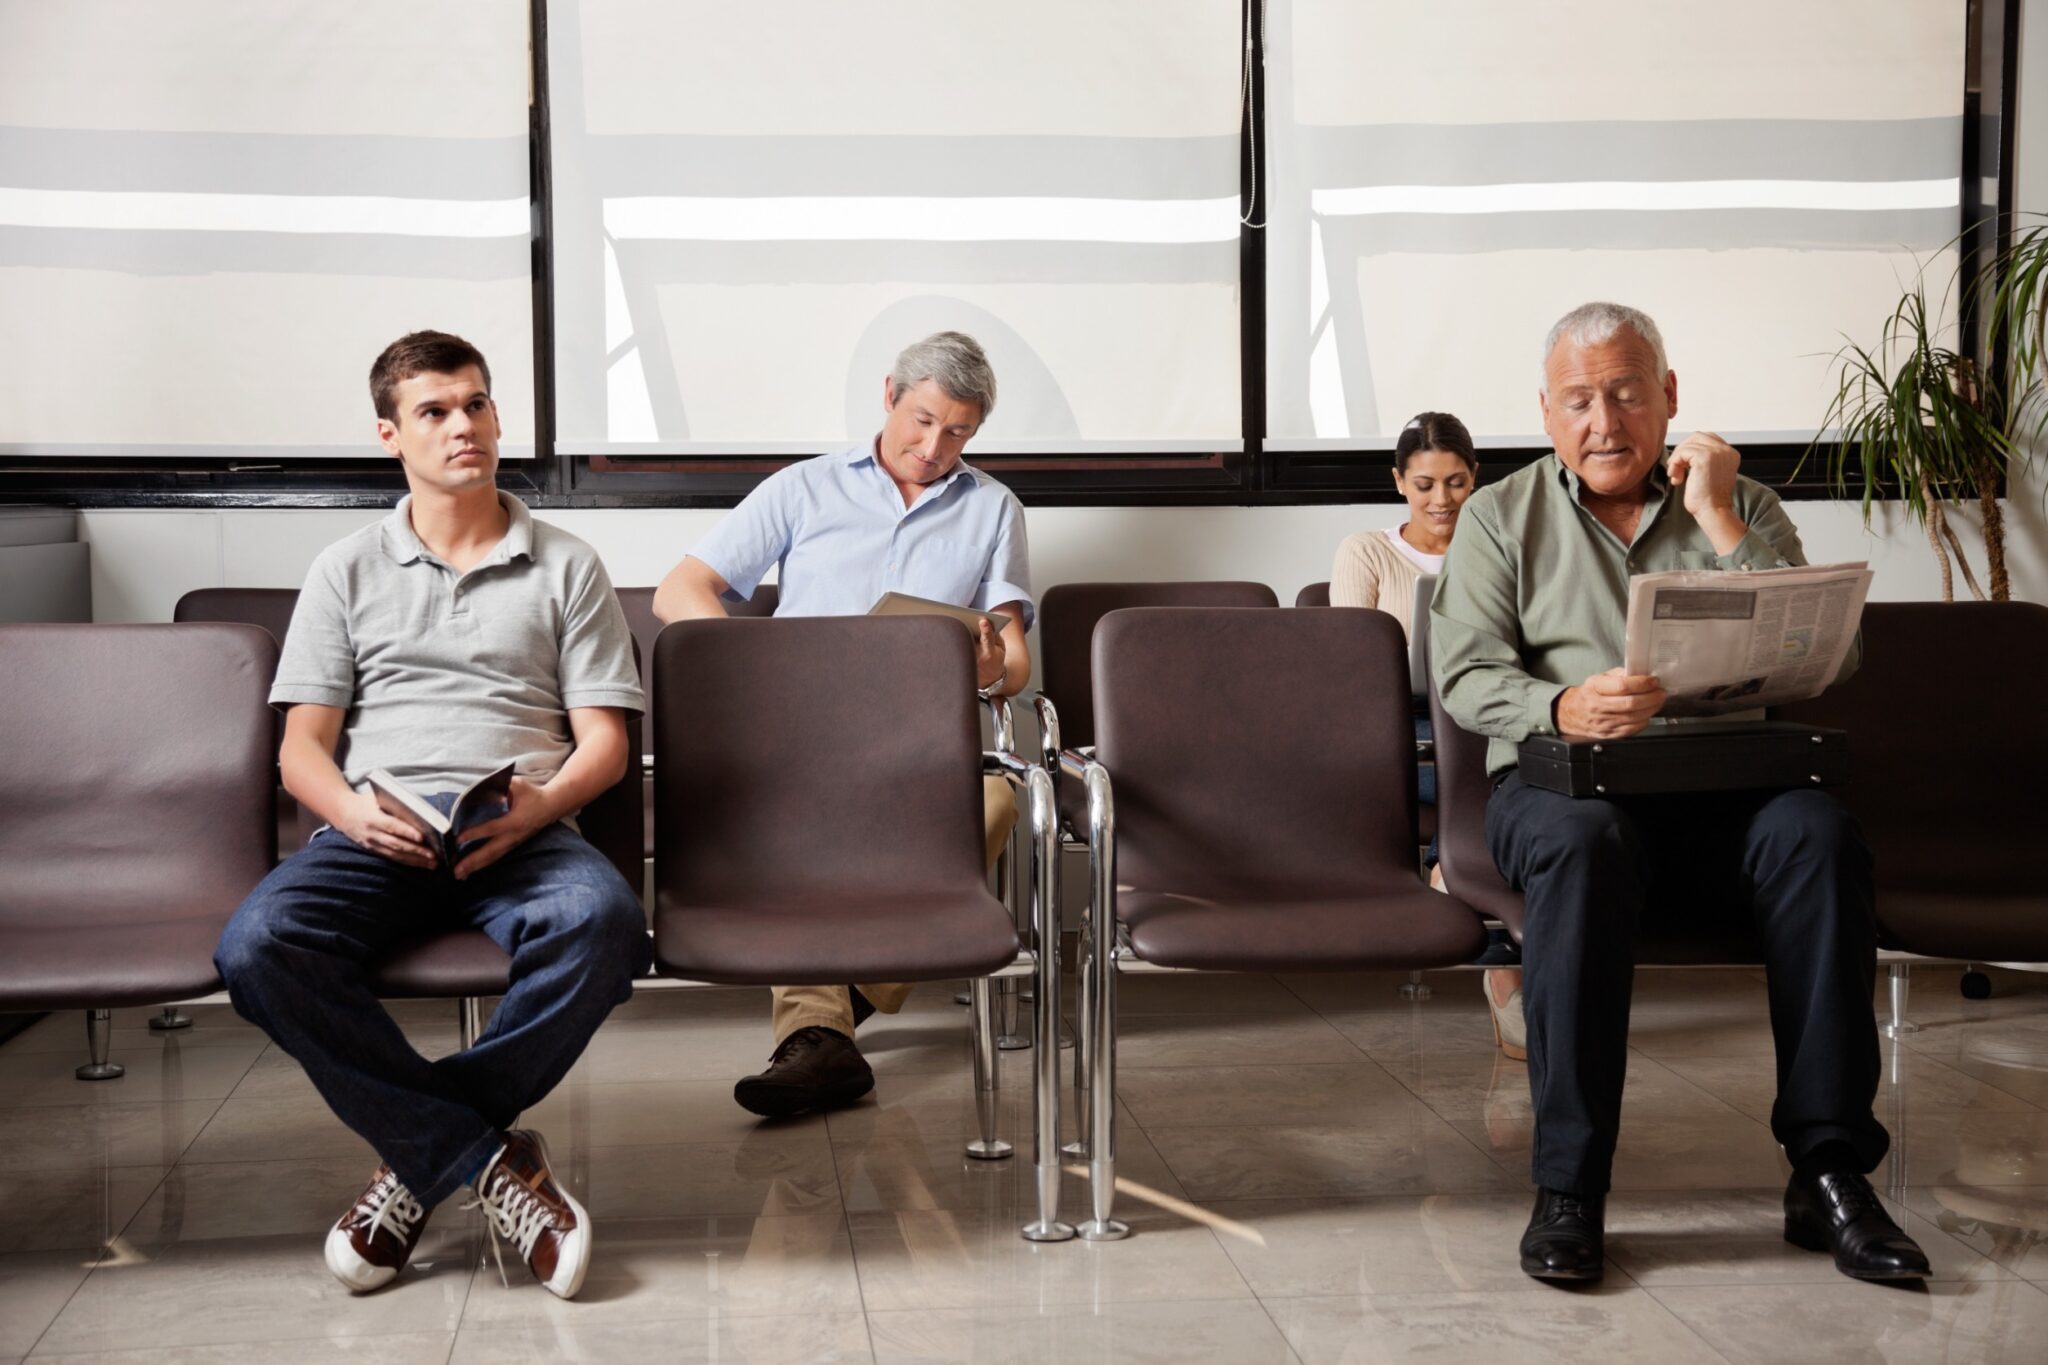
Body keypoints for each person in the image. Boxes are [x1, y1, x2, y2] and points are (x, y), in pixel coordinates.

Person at [1432, 302, 1927, 1285]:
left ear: (1667, 398)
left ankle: (1828, 1176)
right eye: (1577, 400)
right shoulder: (1499, 515)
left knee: (1817, 834)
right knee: (1582, 841)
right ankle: (1568, 1185)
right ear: (1546, 411)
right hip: (1559, 789)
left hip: (1726, 785)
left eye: (1623, 393)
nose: (1602, 421)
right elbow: (1461, 676)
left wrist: (1717, 521)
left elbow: (1830, 656)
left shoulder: (1739, 503)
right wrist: (1562, 703)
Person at [214, 331, 650, 1300]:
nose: (465, 426)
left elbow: (606, 747)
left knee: (609, 923)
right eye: (435, 411)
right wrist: (355, 816)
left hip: (522, 829)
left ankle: (416, 1161)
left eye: (478, 405)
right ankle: (482, 1160)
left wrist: (540, 805)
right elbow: (300, 752)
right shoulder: (345, 569)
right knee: (256, 945)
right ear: (389, 434)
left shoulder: (567, 565)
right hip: (380, 835)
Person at [653, 330, 1030, 1118]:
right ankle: (827, 1027)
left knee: (1000, 801)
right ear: (890, 394)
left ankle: (827, 1022)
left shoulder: (995, 508)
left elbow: (1014, 662)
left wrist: (991, 660)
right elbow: (681, 589)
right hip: (802, 744)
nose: (934, 447)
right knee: (802, 825)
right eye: (923, 419)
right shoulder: (804, 488)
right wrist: (756, 669)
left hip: (922, 746)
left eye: (958, 431)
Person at [1329, 414, 1524, 1058]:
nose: (1442, 500)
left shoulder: (1501, 547)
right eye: (1424, 484)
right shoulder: (1367, 551)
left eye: (1457, 482)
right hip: (1400, 731)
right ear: (1398, 483)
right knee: (1498, 791)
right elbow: (1348, 667)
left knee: (1529, 778)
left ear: (1476, 480)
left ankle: (1452, 876)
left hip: (1488, 721)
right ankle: (1504, 973)